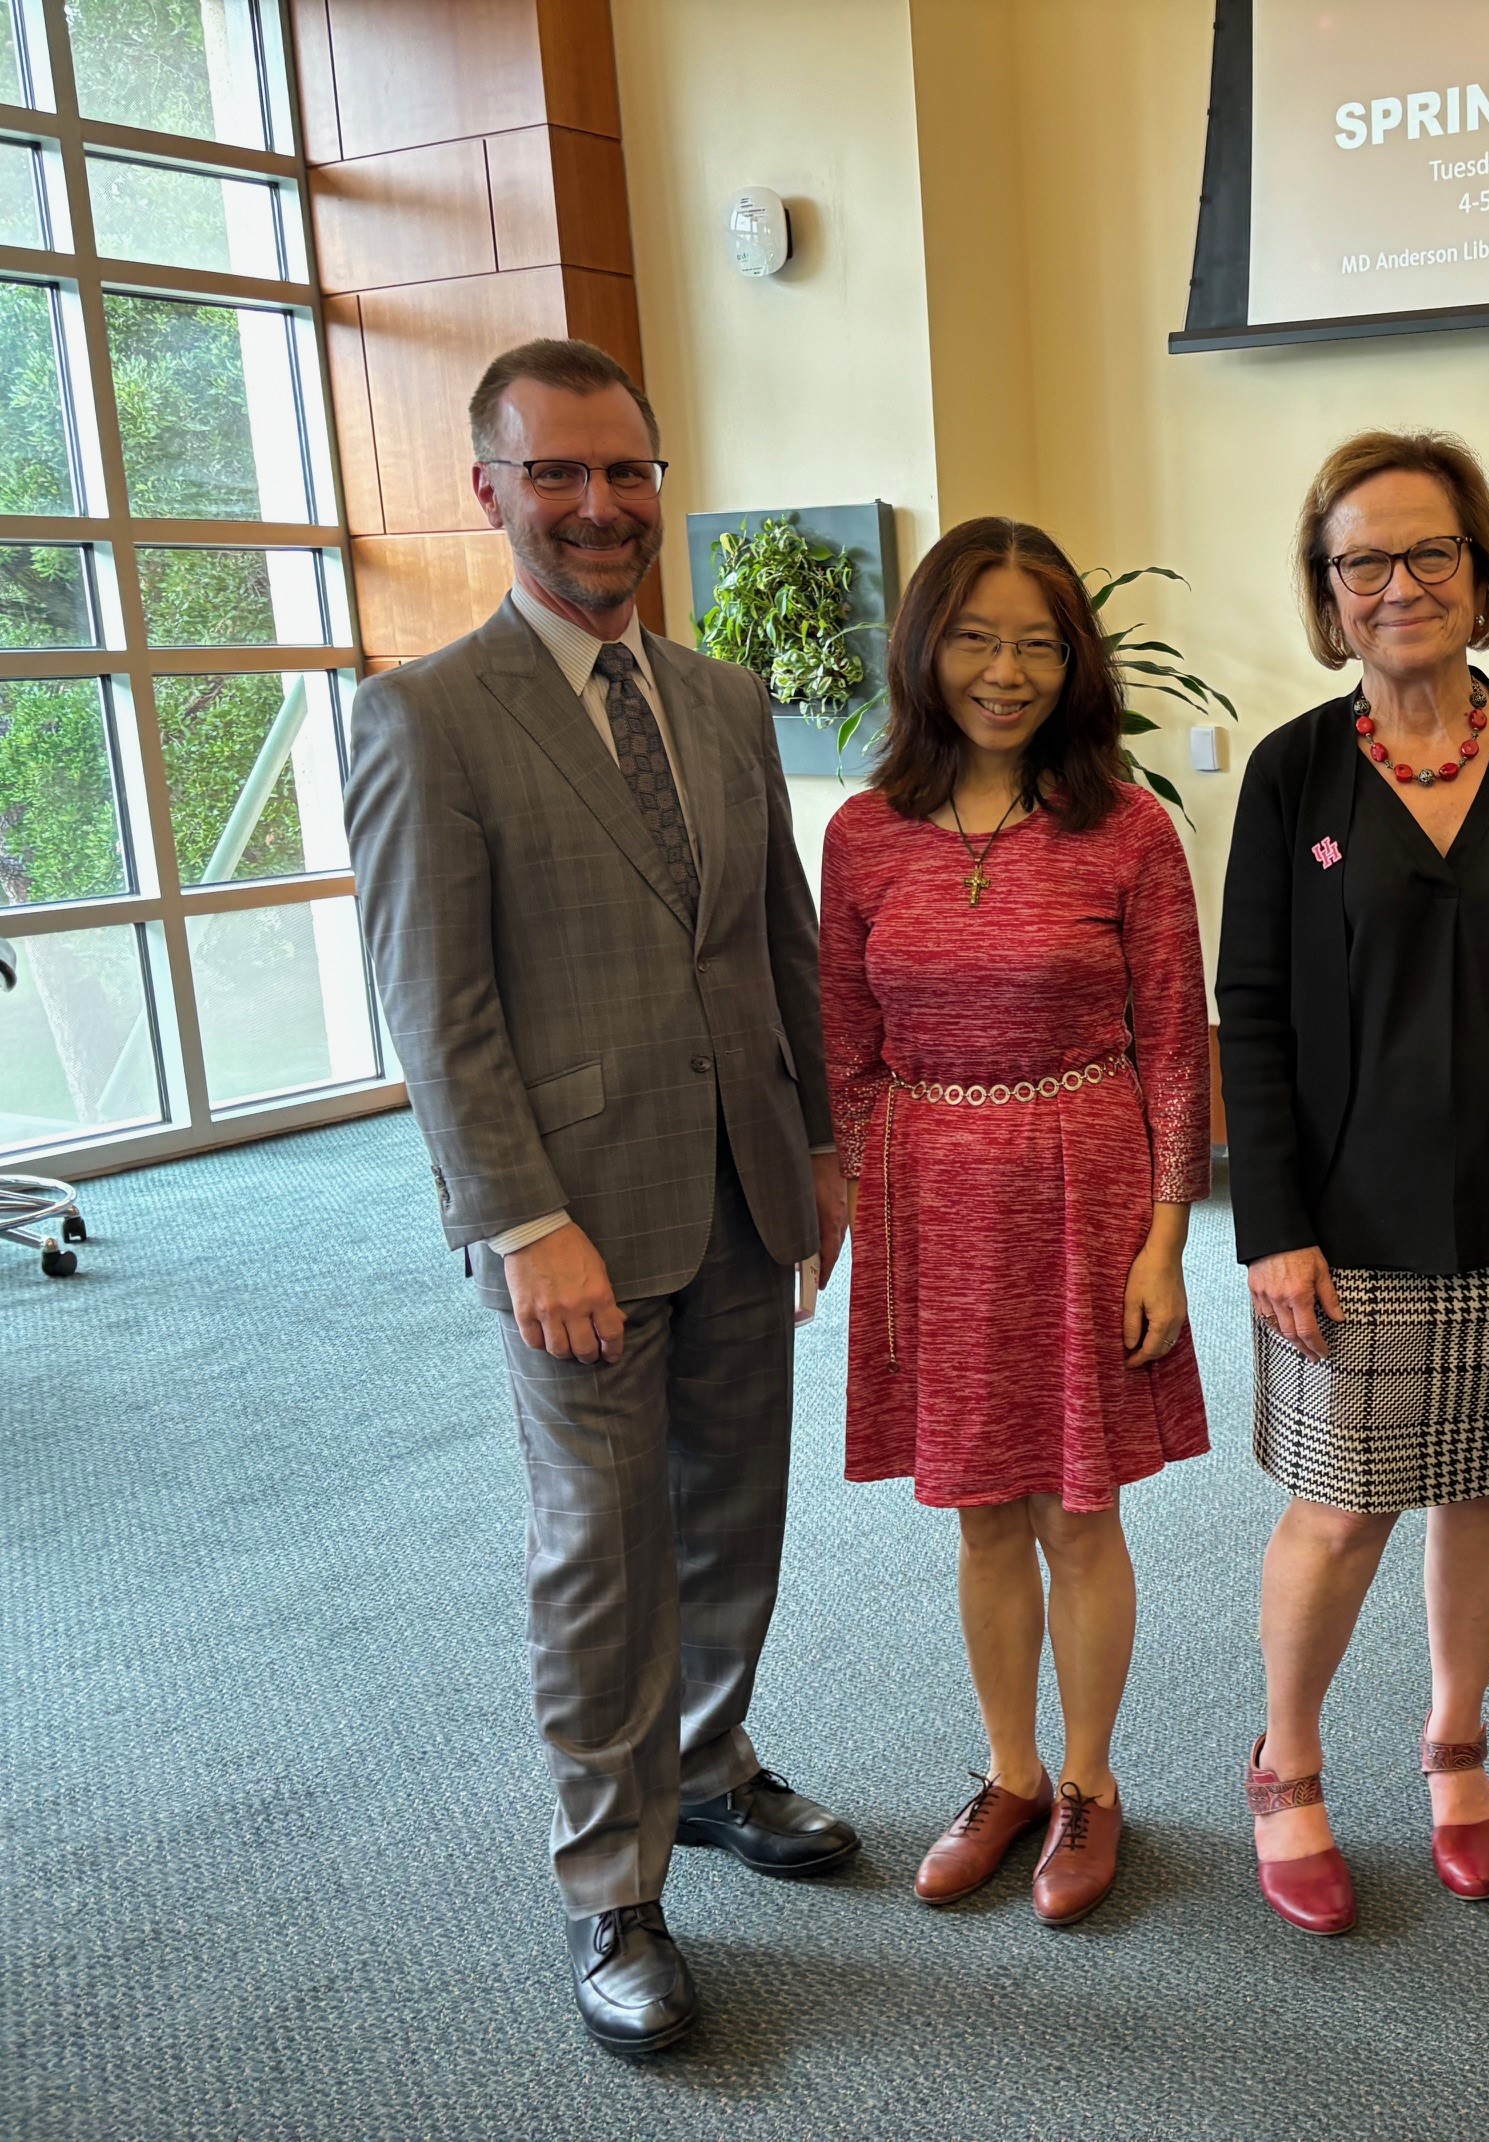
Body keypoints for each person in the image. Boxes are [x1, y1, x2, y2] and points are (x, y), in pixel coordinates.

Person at [342, 338, 858, 2058]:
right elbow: (437, 1005)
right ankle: (609, 1885)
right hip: (566, 1219)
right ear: (490, 490)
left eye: (624, 472)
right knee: (601, 1550)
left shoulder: (716, 697)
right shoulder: (425, 715)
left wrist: (825, 1147)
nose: (596, 506)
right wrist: (518, 1219)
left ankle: (707, 1769)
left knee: (733, 1517)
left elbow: (773, 937)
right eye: (555, 474)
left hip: (738, 1187)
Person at [1217, 430, 1489, 1937]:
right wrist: (1271, 1222)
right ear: (1328, 593)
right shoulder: (1292, 776)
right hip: (1351, 1226)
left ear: (1479, 573)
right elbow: (1257, 1013)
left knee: (1487, 1477)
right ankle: (1287, 1758)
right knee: (1339, 1509)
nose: (1400, 584)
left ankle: (1456, 1739)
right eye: (1365, 561)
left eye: (1431, 554)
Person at [818, 516, 1210, 1929]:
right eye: (978, 636)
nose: (1007, 669)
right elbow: (846, 1049)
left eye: (1040, 642)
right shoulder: (860, 835)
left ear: (1077, 662)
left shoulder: (1128, 827)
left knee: (1078, 1508)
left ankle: (1093, 1784)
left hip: (1087, 1186)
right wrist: (869, 1225)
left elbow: (1174, 1047)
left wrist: (1166, 1237)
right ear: (927, 646)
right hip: (934, 1196)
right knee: (982, 1513)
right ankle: (1010, 1771)